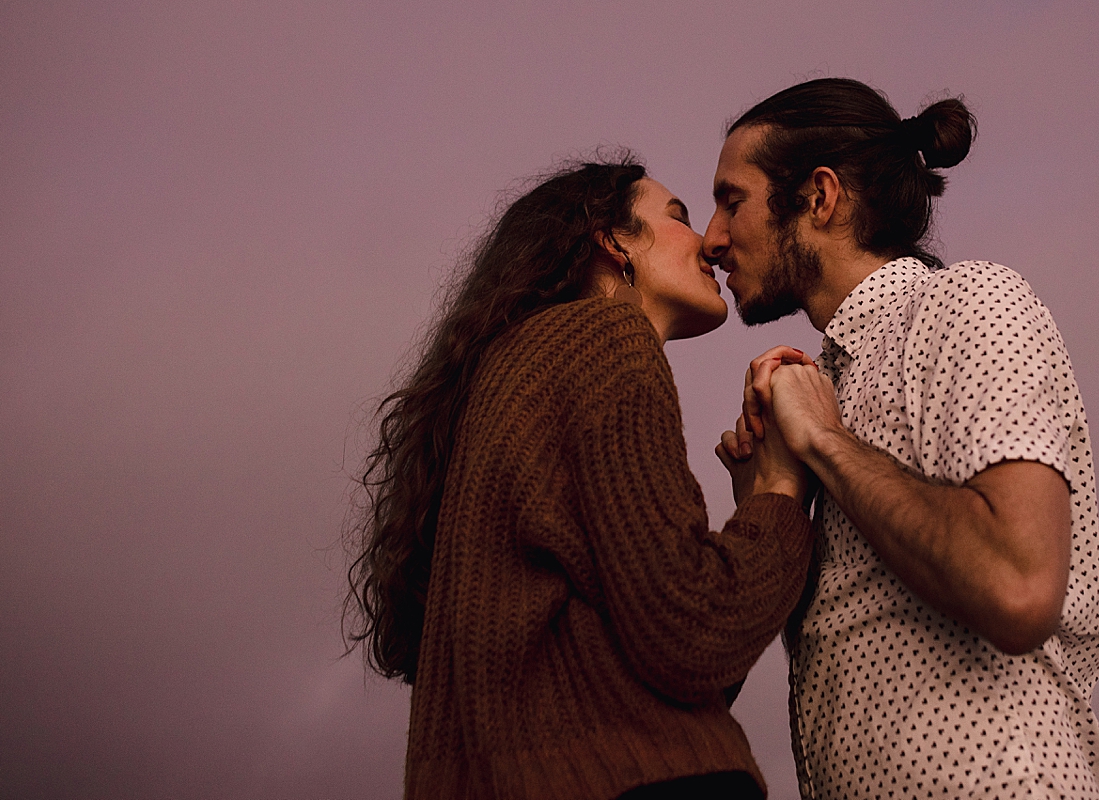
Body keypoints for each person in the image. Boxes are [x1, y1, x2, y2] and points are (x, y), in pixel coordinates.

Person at [707, 79, 1099, 799]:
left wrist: (828, 445)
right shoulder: (819, 397)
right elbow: (707, 685)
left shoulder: (970, 302)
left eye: (731, 200)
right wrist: (769, 502)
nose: (714, 239)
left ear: (819, 196)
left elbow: (1018, 585)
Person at [345, 158, 815, 800]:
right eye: (677, 216)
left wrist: (745, 509)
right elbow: (693, 631)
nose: (708, 239)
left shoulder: (515, 372)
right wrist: (781, 492)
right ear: (613, 240)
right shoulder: (605, 335)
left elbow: (669, 678)